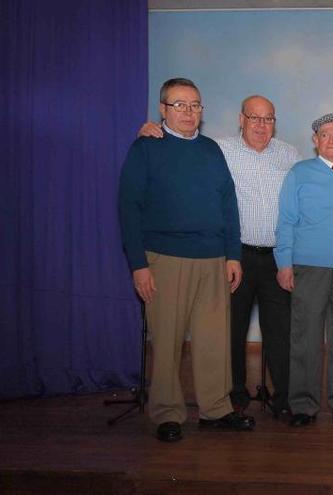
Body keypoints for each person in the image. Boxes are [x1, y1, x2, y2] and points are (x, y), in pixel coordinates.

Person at [137, 97, 333, 417]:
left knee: (282, 332)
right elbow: (185, 144)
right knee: (230, 329)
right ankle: (234, 396)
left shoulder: (289, 155)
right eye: (255, 118)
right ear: (240, 120)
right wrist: (155, 131)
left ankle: (286, 398)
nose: (261, 125)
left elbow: (327, 177)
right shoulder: (218, 150)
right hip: (236, 255)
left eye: (268, 118)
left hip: (275, 255)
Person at [118, 77, 255, 442]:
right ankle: (167, 413)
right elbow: (128, 207)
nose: (189, 112)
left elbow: (228, 204)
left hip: (213, 260)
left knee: (214, 341)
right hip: (164, 260)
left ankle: (216, 409)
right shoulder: (145, 148)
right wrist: (138, 264)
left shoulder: (211, 150)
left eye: (195, 105)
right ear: (163, 110)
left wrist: (233, 256)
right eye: (179, 105)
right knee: (167, 341)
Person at [275, 112, 333, 427]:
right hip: (308, 267)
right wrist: (284, 263)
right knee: (306, 339)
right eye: (324, 135)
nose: (331, 140)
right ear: (315, 142)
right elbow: (286, 221)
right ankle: (303, 405)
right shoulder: (299, 174)